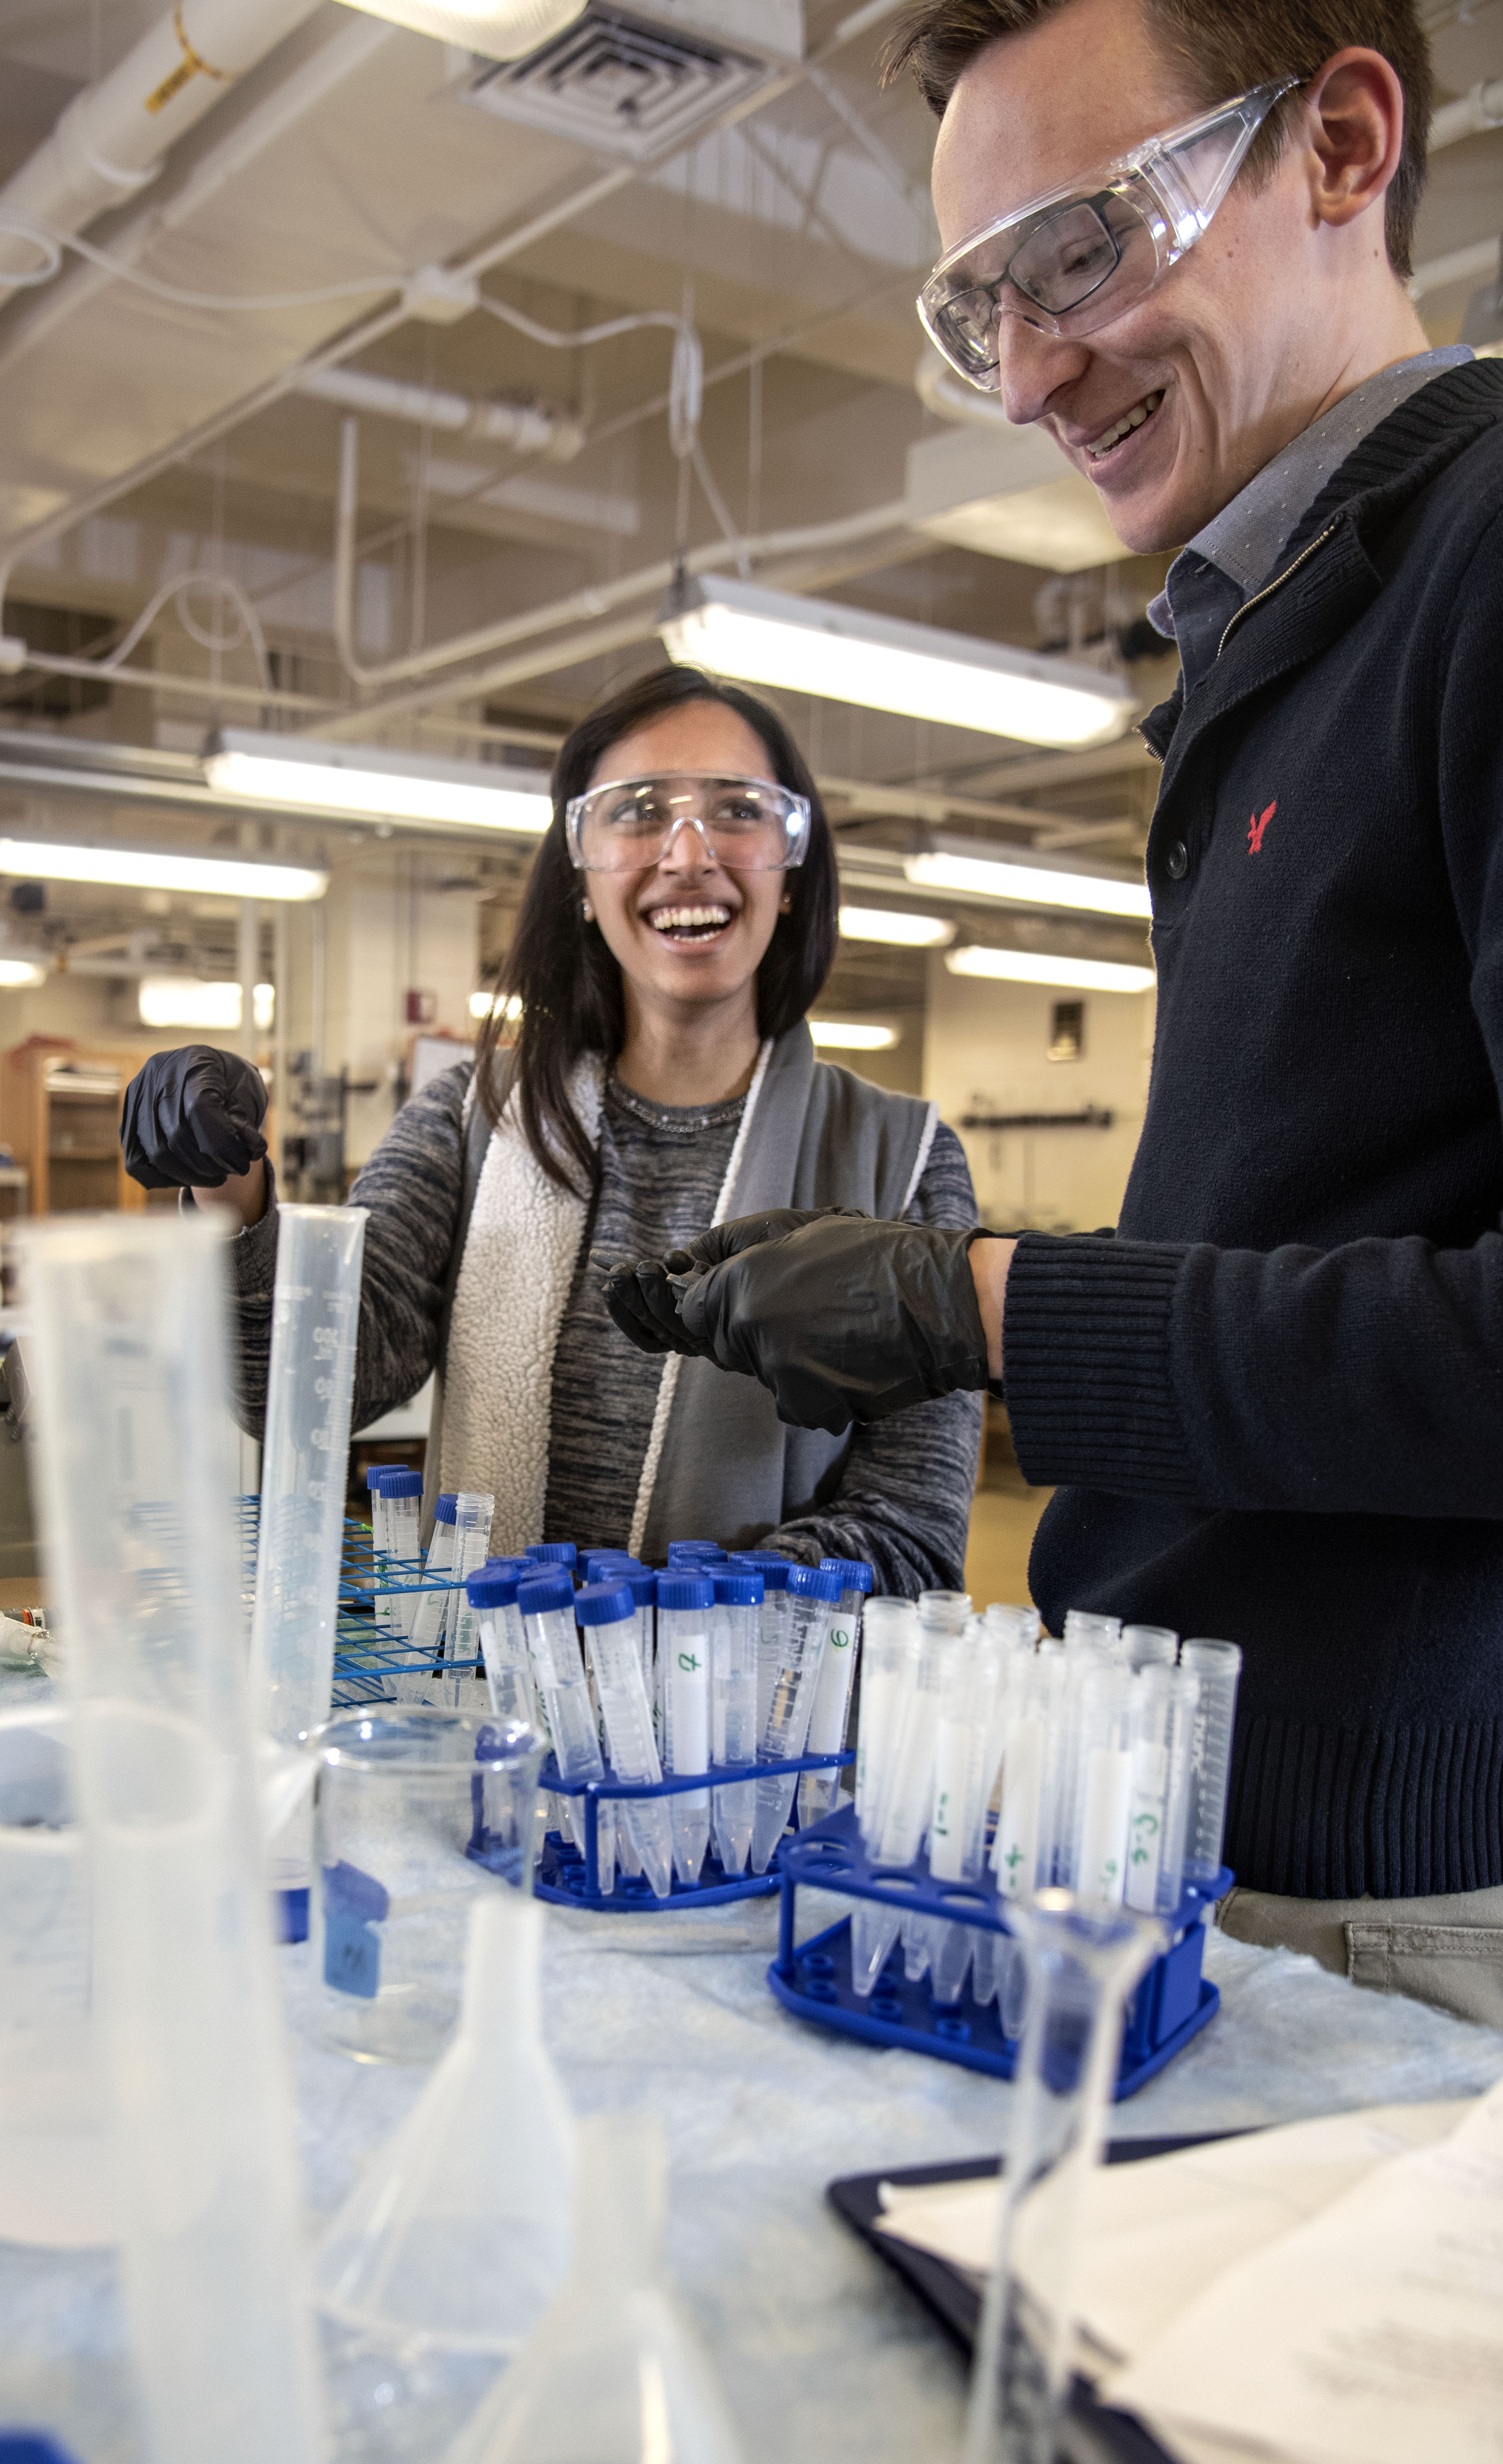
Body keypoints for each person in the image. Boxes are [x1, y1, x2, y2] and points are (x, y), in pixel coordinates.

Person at [607, 0, 1503, 2026]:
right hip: (1188, 1828)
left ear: (1342, 147)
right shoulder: (1281, 635)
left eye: (1084, 253)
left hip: (1387, 1903)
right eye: (977, 305)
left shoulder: (1480, 562)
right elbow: (1323, 1252)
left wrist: (990, 1307)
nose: (1023, 373)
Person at [119, 663, 983, 1579]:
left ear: (793, 867)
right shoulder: (473, 1116)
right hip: (487, 1708)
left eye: (737, 810)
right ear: (579, 871)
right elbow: (305, 1387)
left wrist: (653, 1627)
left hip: (752, 1718)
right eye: (639, 810)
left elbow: (911, 1532)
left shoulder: (902, 1159)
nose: (688, 854)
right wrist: (227, 1187)